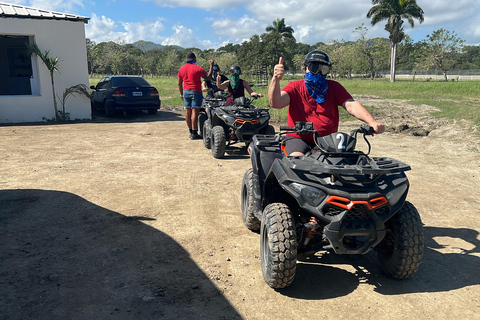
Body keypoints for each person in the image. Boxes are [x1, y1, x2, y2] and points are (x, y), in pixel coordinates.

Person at [268, 50, 385, 156]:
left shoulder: (334, 87)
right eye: (314, 68)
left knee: (335, 162)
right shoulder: (295, 87)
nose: (318, 73)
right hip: (297, 138)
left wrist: (372, 122)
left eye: (323, 69)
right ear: (305, 68)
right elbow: (276, 102)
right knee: (297, 160)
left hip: (328, 140)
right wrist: (275, 80)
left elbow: (351, 105)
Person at [178, 51, 213, 139]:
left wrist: (181, 94)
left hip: (186, 91)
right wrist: (211, 66)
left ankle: (190, 131)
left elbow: (179, 83)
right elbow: (208, 77)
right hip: (195, 91)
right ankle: (194, 132)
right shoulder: (198, 68)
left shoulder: (182, 69)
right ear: (194, 59)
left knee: (187, 111)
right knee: (195, 112)